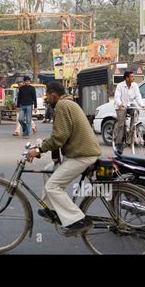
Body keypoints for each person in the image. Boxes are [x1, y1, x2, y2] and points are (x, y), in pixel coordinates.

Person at [26, 82, 101, 237]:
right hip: (79, 153)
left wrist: (39, 150)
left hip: (82, 155)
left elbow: (59, 137)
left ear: (54, 94)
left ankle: (79, 219)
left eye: (47, 95)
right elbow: (58, 136)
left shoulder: (62, 105)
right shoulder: (68, 103)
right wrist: (41, 146)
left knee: (52, 186)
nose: (47, 99)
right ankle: (52, 209)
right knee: (48, 170)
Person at [114, 71, 145, 153]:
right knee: (121, 125)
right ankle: (119, 144)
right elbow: (117, 97)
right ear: (127, 78)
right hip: (121, 106)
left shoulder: (135, 85)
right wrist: (120, 104)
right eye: (132, 76)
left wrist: (142, 105)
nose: (133, 78)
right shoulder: (120, 86)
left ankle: (130, 138)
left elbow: (138, 96)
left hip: (130, 105)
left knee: (136, 111)